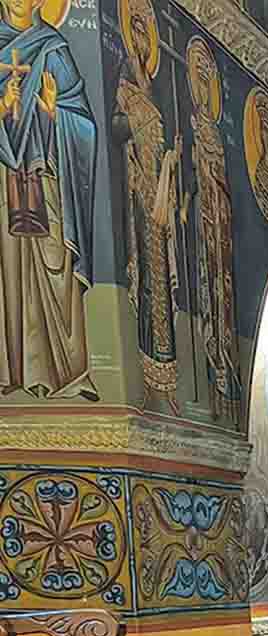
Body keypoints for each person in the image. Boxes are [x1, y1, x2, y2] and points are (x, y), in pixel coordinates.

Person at [0, 0, 96, 400]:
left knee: (54, 258)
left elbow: (84, 124)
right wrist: (3, 107)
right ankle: (10, 371)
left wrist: (55, 114)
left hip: (46, 176)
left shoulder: (54, 48)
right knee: (6, 267)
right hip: (3, 179)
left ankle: (66, 371)